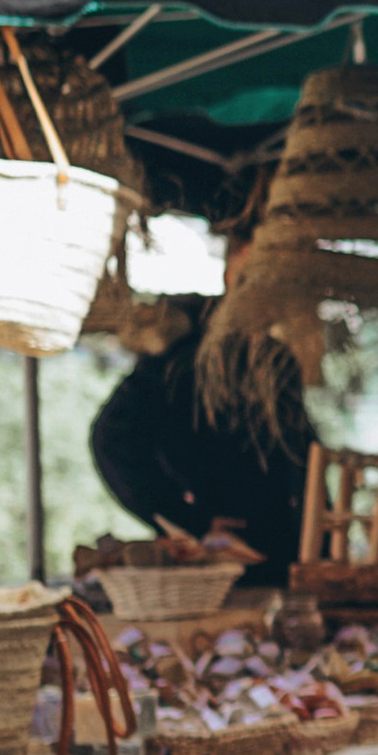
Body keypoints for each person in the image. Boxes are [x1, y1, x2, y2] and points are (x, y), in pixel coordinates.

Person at [88, 219, 313, 582]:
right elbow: (112, 440)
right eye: (257, 268)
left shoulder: (277, 360)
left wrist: (322, 536)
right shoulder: (184, 358)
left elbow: (301, 454)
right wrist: (185, 519)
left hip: (286, 557)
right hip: (216, 561)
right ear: (232, 270)